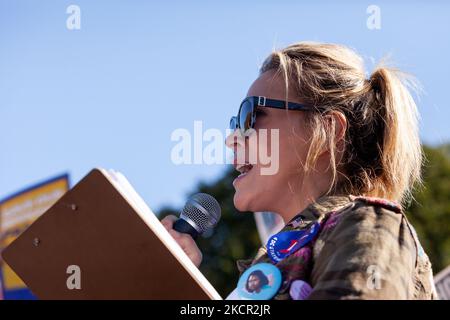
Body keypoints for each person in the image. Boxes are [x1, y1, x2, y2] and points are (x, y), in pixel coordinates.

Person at [162, 41, 437, 299]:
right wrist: (173, 282)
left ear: (328, 131)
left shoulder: (371, 225)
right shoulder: (268, 267)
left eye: (250, 116)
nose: (232, 138)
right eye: (235, 123)